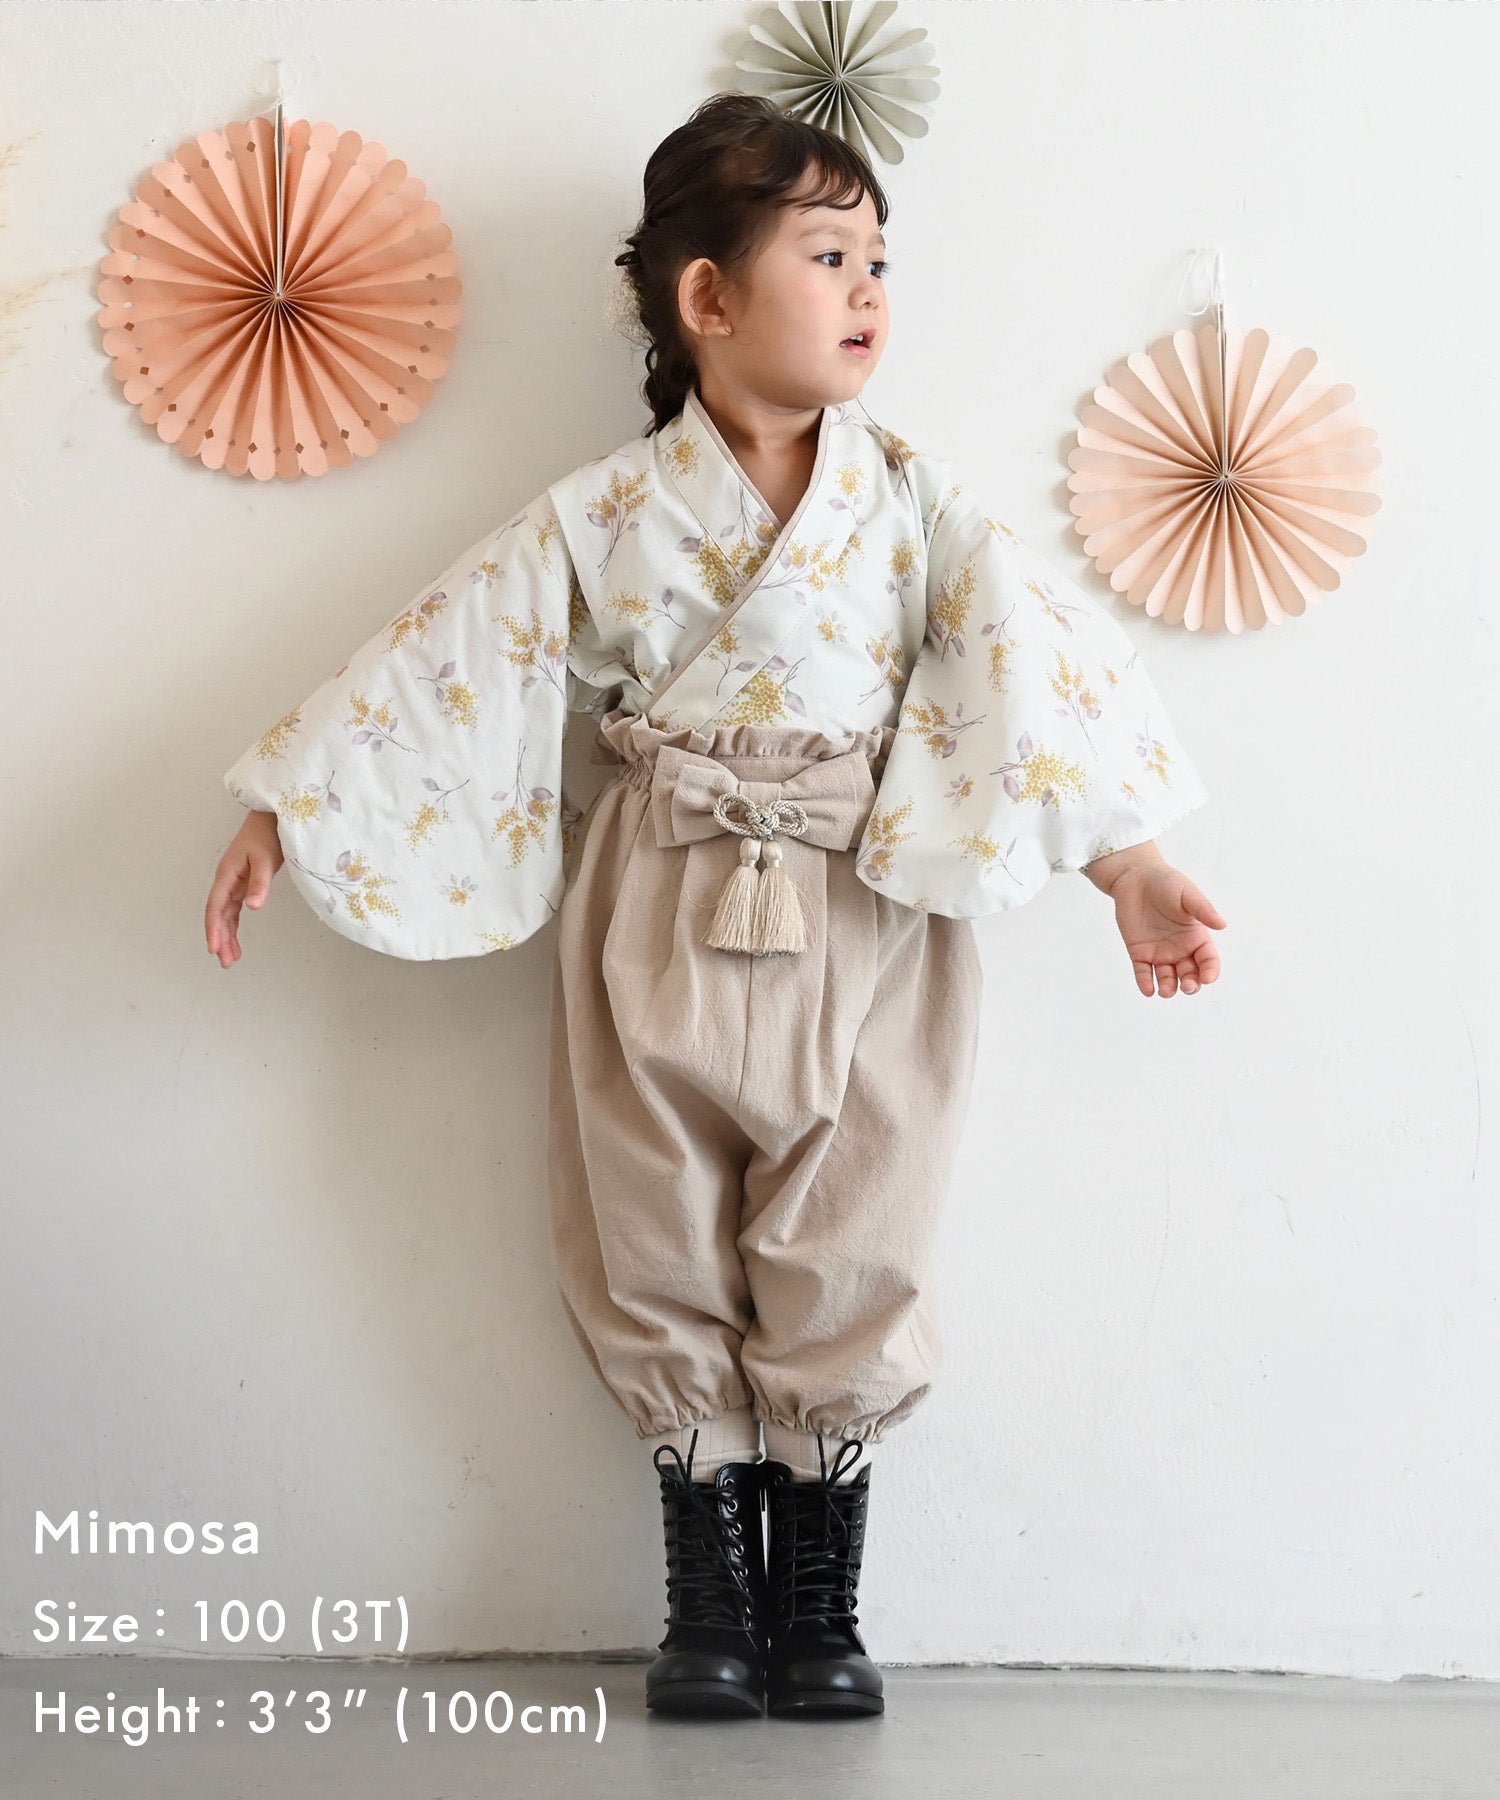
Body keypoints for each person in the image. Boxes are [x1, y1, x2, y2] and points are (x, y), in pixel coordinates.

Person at [204, 92, 1225, 1723]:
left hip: (865, 901)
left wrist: (1132, 867)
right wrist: (296, 804)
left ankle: (820, 1601)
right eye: (830, 257)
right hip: (661, 896)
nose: (870, 290)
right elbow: (452, 652)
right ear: (707, 299)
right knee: (649, 1211)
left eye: (881, 260)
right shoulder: (604, 517)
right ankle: (708, 1588)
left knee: (859, 1218)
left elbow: (1032, 673)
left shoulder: (916, 507)